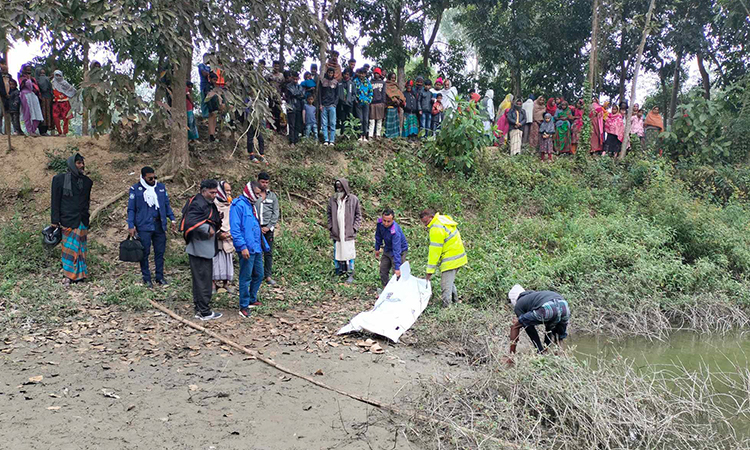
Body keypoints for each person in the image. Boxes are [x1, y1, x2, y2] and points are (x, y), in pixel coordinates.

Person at [127, 166, 177, 288]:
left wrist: (172, 219)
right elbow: (131, 209)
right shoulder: (136, 189)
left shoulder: (160, 188)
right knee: (145, 252)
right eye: (150, 178)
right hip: (143, 225)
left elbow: (166, 204)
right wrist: (131, 225)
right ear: (143, 177)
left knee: (160, 252)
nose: (153, 180)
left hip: (159, 224)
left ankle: (160, 277)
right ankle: (147, 278)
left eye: (155, 177)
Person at [181, 180, 223, 321]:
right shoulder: (197, 203)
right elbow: (190, 221)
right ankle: (204, 312)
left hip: (205, 247)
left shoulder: (207, 203)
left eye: (216, 192)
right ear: (203, 191)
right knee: (203, 280)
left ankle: (200, 309)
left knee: (201, 279)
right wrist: (208, 229)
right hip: (199, 248)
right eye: (211, 192)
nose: (214, 195)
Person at [51, 154, 93, 285]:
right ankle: (69, 275)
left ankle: (80, 276)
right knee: (69, 250)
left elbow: (86, 201)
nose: (81, 166)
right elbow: (55, 201)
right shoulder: (59, 179)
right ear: (71, 164)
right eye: (78, 163)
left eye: (82, 163)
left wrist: (86, 215)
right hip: (67, 220)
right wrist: (54, 220)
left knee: (81, 248)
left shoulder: (87, 181)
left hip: (82, 220)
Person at [231, 181, 269, 318]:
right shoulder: (238, 206)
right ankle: (244, 306)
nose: (259, 197)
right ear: (251, 192)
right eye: (257, 194)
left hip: (256, 247)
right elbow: (235, 229)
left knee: (259, 274)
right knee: (245, 277)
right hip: (247, 248)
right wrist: (242, 247)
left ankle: (252, 298)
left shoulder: (251, 206)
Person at [420, 209, 467, 307]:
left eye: (426, 222)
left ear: (431, 217)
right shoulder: (442, 219)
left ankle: (447, 309)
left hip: (451, 259)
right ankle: (456, 302)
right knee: (450, 281)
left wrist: (429, 272)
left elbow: (434, 252)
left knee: (445, 285)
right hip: (459, 255)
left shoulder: (436, 228)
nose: (425, 225)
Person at [507, 285, 570, 355]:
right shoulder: (535, 296)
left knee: (515, 326)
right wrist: (545, 348)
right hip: (564, 306)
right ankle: (560, 357)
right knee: (558, 337)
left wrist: (539, 349)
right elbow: (549, 330)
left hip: (548, 307)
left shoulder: (518, 305)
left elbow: (530, 330)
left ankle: (511, 357)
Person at [327, 178, 362, 284]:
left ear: (345, 187)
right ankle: (338, 272)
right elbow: (328, 214)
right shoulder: (333, 200)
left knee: (349, 253)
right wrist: (331, 227)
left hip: (348, 232)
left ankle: (350, 273)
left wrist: (354, 228)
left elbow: (358, 215)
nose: (338, 190)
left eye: (340, 187)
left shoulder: (353, 199)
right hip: (337, 232)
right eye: (337, 187)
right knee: (337, 252)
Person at [374, 208, 409, 288]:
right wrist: (377, 248)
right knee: (383, 269)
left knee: (396, 273)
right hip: (388, 248)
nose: (386, 223)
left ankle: (397, 290)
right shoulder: (379, 223)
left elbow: (397, 250)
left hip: (399, 250)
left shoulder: (395, 231)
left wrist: (397, 267)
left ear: (393, 220)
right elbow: (378, 236)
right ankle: (385, 288)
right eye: (384, 220)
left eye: (388, 221)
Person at [257, 172, 280, 286]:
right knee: (256, 252)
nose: (264, 184)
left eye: (266, 182)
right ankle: (257, 275)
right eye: (262, 182)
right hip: (255, 228)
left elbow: (275, 213)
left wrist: (268, 227)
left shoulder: (272, 196)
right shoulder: (254, 195)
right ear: (258, 182)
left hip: (268, 229)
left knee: (268, 252)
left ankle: (268, 276)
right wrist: (257, 227)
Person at [213, 180, 235, 293]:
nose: (229, 193)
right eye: (226, 191)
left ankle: (226, 283)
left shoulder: (231, 204)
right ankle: (213, 284)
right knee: (216, 259)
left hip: (229, 234)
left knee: (228, 258)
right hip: (217, 235)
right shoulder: (214, 203)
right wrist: (219, 233)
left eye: (230, 191)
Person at [320, 66, 339, 145]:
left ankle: (332, 140)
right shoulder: (323, 81)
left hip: (332, 105)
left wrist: (335, 104)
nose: (330, 74)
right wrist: (320, 104)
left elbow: (337, 95)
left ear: (333, 74)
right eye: (329, 73)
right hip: (324, 105)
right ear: (327, 73)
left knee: (332, 123)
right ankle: (326, 139)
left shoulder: (335, 82)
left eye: (332, 73)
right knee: (324, 123)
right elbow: (320, 94)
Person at [285, 71, 305, 144]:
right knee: (291, 124)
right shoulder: (288, 86)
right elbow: (292, 93)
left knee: (297, 124)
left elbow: (303, 95)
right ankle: (291, 141)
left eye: (297, 79)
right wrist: (298, 95)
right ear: (292, 78)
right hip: (291, 106)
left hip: (299, 107)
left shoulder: (300, 86)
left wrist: (297, 95)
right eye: (294, 79)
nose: (295, 80)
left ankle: (296, 140)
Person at [353, 69, 372, 141]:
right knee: (360, 119)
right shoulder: (355, 81)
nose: (362, 75)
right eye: (361, 73)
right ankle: (360, 135)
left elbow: (370, 91)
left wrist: (369, 100)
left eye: (363, 74)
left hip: (366, 103)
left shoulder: (368, 82)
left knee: (365, 120)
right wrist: (356, 100)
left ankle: (365, 135)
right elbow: (354, 92)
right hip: (358, 103)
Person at [204, 72, 223, 142]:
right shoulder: (207, 87)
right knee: (211, 121)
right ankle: (211, 135)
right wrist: (210, 108)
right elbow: (207, 98)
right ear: (210, 79)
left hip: (215, 106)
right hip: (210, 106)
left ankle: (213, 134)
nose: (215, 81)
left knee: (214, 120)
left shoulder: (214, 87)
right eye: (214, 79)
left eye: (216, 80)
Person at [384, 73, 405, 138]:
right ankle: (388, 135)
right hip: (389, 106)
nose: (393, 79)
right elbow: (388, 94)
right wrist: (394, 99)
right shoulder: (386, 85)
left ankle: (395, 136)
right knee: (389, 123)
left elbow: (399, 93)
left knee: (395, 123)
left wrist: (401, 100)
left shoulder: (396, 86)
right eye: (392, 78)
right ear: (389, 78)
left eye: (394, 78)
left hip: (395, 107)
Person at [266, 60, 284, 133]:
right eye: (275, 66)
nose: (276, 68)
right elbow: (264, 82)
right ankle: (271, 128)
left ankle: (278, 128)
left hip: (278, 96)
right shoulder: (269, 75)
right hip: (271, 95)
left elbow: (283, 85)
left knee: (278, 112)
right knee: (271, 111)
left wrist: (282, 94)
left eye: (277, 66)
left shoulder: (281, 76)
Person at [369, 68, 386, 139]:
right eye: (375, 73)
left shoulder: (383, 82)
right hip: (372, 103)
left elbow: (383, 93)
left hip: (380, 103)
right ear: (373, 74)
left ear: (380, 74)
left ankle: (378, 135)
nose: (376, 75)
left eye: (377, 73)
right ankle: (370, 135)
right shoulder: (370, 82)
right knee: (372, 120)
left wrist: (384, 103)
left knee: (379, 120)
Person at [36, 68, 53, 135]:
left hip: (48, 98)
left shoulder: (45, 79)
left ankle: (45, 130)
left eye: (44, 74)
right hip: (41, 99)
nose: (43, 76)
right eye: (41, 74)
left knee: (47, 114)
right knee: (43, 114)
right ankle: (42, 130)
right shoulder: (36, 81)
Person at [198, 53, 212, 118]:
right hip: (203, 85)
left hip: (209, 85)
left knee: (209, 99)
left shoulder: (210, 67)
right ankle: (204, 115)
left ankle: (209, 113)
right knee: (204, 100)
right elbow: (204, 73)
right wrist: (209, 74)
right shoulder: (201, 65)